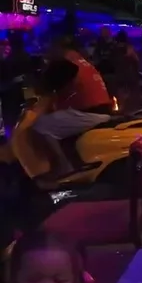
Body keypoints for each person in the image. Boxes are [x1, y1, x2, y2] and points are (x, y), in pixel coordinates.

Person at [32, 38, 113, 179]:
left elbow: (43, 88)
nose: (47, 51)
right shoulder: (80, 61)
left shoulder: (65, 63)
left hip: (88, 113)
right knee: (55, 121)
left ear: (59, 48)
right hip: (98, 110)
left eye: (50, 47)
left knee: (41, 125)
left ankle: (63, 168)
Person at [0, 31, 34, 132]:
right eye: (3, 44)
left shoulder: (16, 58)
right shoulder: (20, 56)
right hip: (14, 94)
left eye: (7, 44)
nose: (6, 47)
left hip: (14, 94)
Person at [111, 31, 142, 113]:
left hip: (121, 75)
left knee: (121, 93)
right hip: (130, 75)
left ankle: (121, 109)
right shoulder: (130, 49)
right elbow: (137, 62)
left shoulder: (114, 49)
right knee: (129, 95)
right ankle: (129, 110)